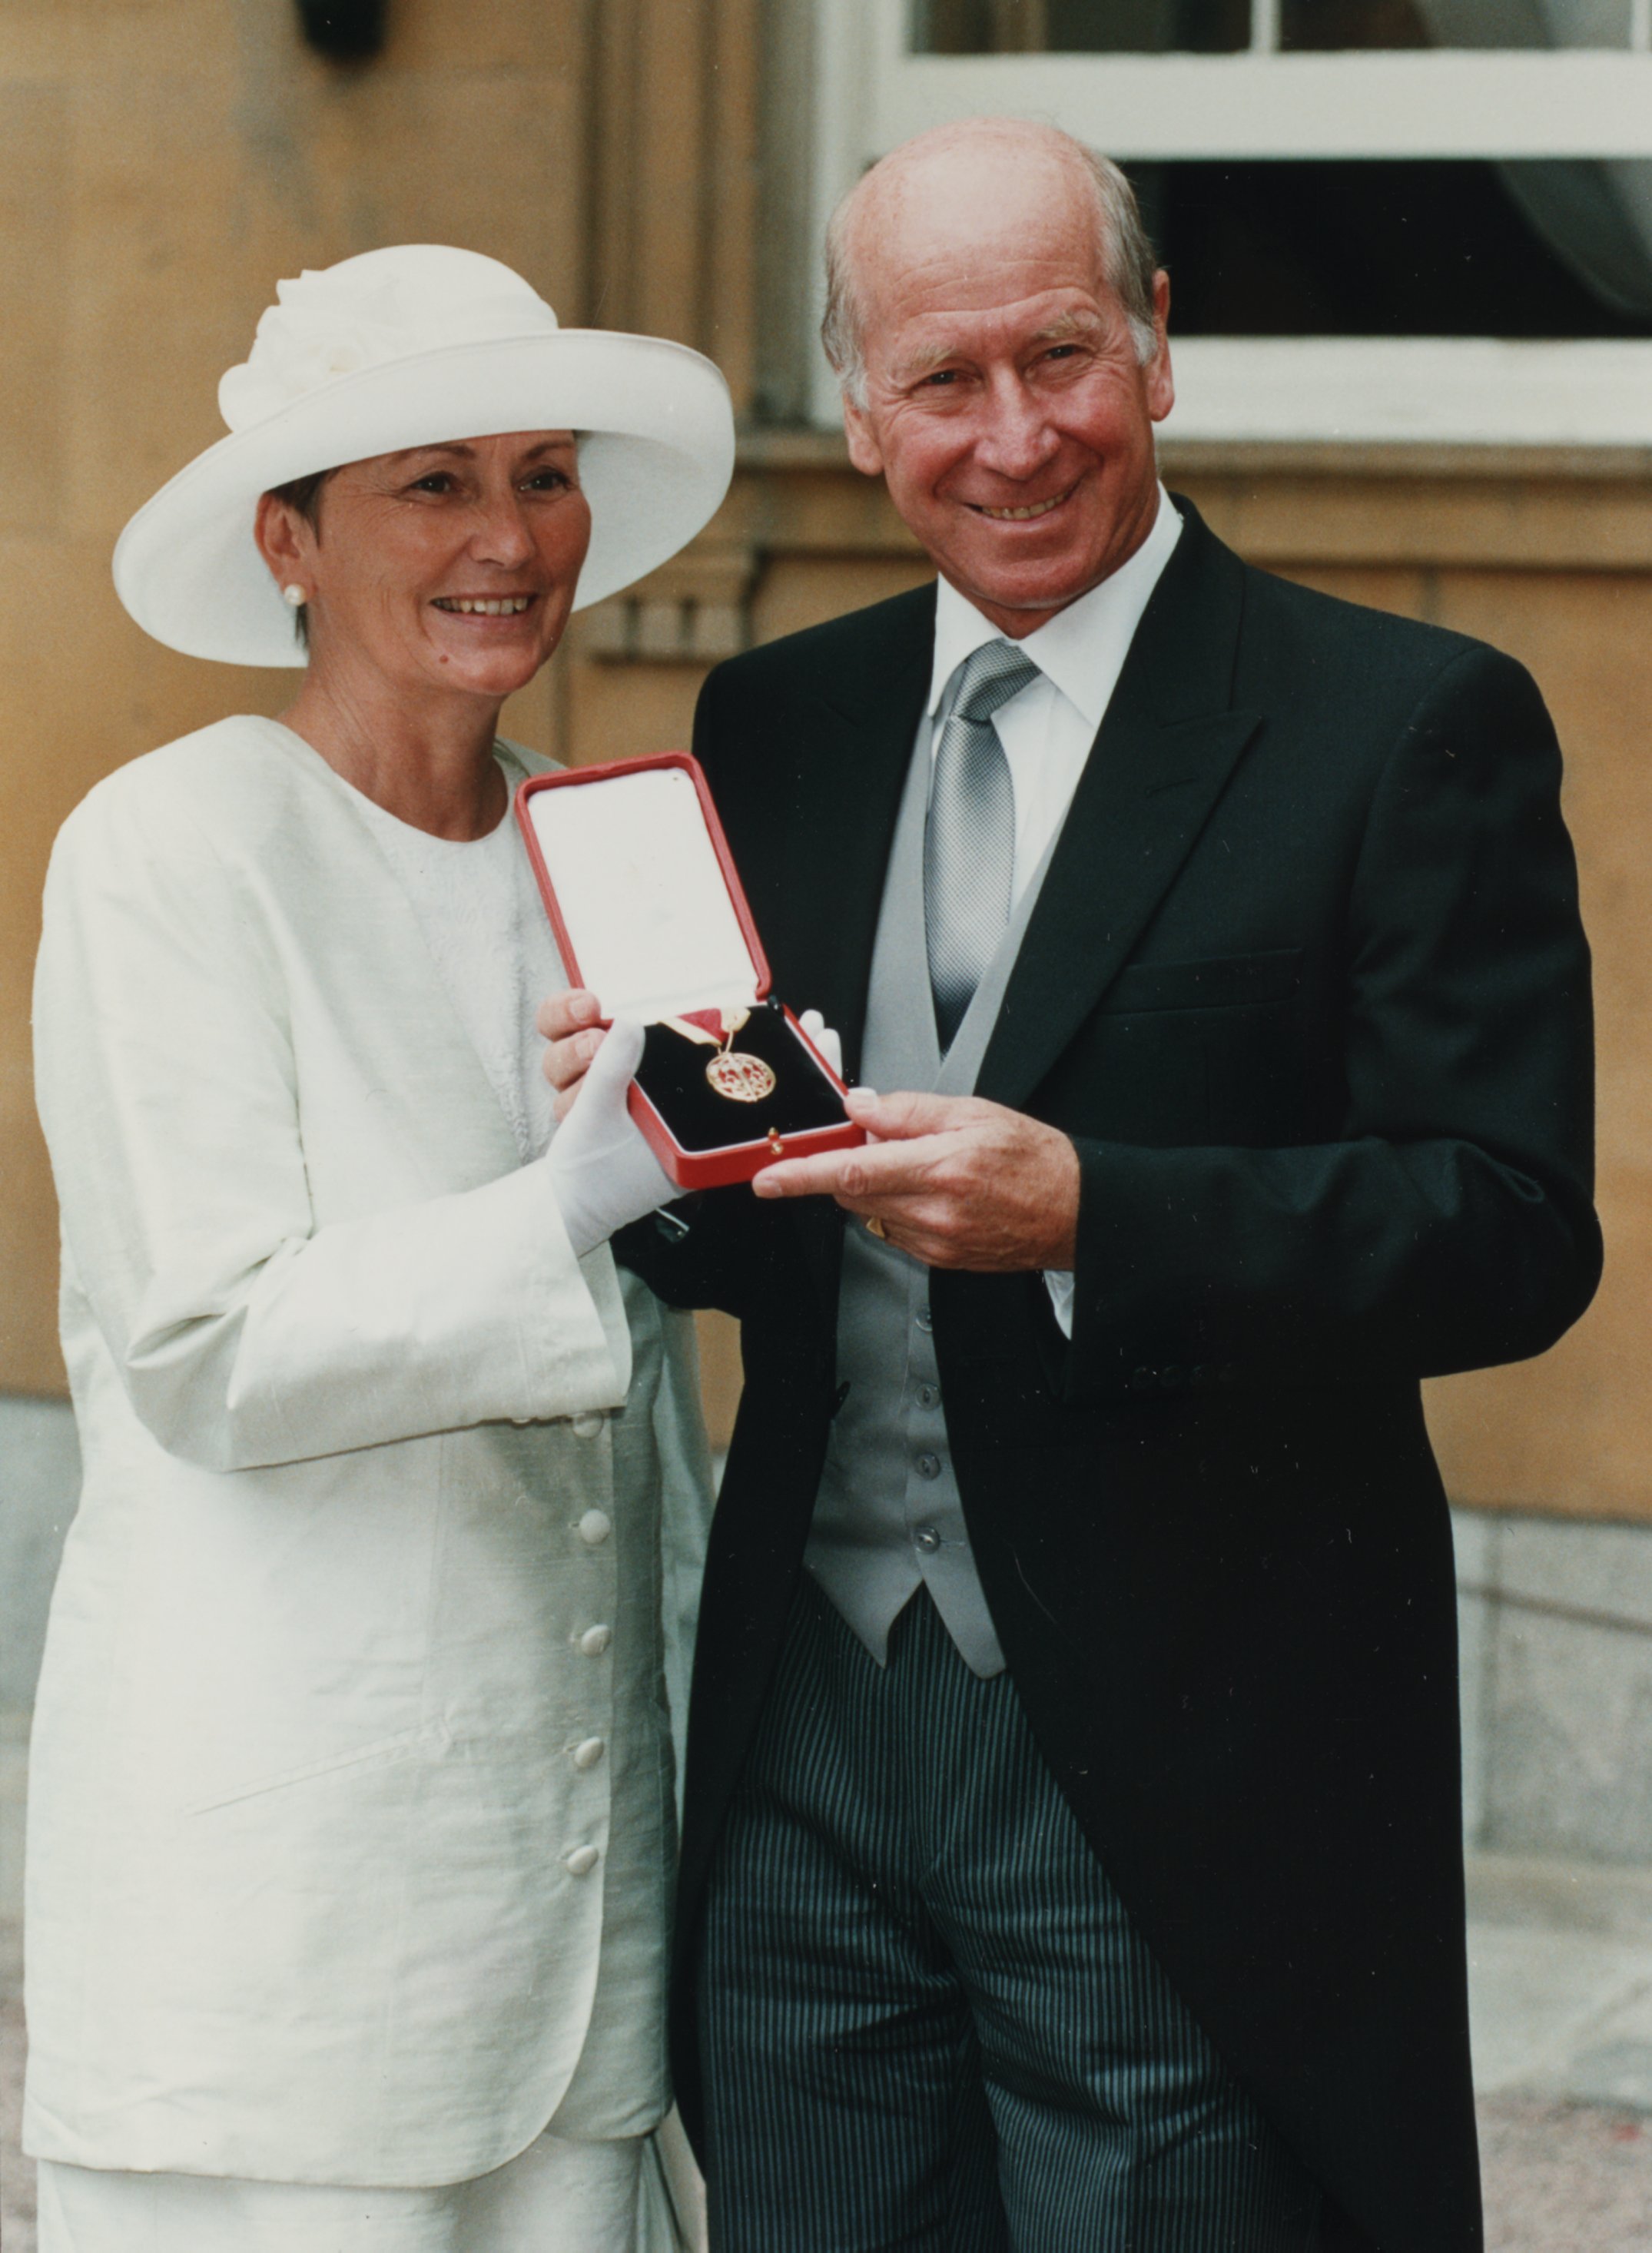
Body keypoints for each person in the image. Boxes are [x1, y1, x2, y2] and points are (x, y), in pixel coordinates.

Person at [543, 121, 1602, 2250]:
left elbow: (1505, 1224)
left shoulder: (1403, 724)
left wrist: (1100, 1212)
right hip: (804, 1746)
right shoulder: (779, 720)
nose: (1014, 436)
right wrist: (638, 1143)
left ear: (1159, 346)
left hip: (1176, 1754)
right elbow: (745, 1227)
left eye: (1062, 356)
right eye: (944, 379)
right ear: (857, 413)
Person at [26, 244, 735, 2253]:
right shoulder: (172, 848)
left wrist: (758, 1151)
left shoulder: (603, 847)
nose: (509, 538)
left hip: (578, 1927)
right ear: (289, 539)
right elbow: (206, 1344)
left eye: (541, 470)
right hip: (286, 1961)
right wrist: (575, 1201)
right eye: (432, 482)